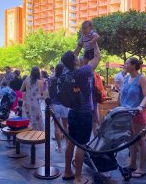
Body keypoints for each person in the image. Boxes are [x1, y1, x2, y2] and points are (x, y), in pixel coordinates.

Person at [62, 40, 101, 184]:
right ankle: (78, 177)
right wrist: (94, 41)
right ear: (75, 61)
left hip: (72, 112)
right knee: (81, 145)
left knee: (71, 142)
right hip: (84, 113)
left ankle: (67, 171)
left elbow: (72, 57)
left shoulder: (66, 71)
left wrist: (79, 45)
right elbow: (97, 58)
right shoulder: (84, 72)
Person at [120, 58, 146, 178]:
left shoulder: (141, 78)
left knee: (140, 141)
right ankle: (132, 164)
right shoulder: (127, 78)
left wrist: (141, 107)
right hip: (128, 113)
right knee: (131, 139)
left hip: (138, 113)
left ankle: (141, 168)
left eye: (127, 63)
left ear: (133, 65)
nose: (125, 65)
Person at [49, 64, 69, 153]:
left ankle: (59, 146)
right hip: (64, 104)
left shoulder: (51, 79)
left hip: (54, 104)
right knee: (66, 126)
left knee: (56, 126)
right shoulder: (66, 79)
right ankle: (68, 144)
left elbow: (49, 92)